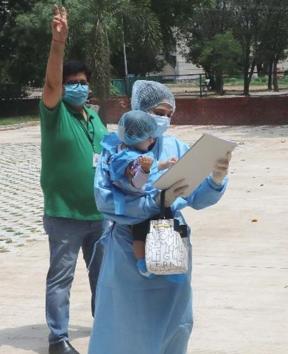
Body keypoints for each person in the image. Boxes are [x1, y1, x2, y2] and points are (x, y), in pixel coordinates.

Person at [88, 80, 232, 354]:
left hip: (169, 241)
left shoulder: (176, 147)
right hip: (128, 250)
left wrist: (216, 178)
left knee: (174, 322)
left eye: (169, 114)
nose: (163, 119)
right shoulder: (114, 150)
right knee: (126, 326)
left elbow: (197, 198)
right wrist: (155, 201)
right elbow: (105, 202)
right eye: (158, 111)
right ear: (138, 109)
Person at [40, 6, 108, 354]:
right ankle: (58, 339)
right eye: (72, 83)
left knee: (103, 278)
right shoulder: (54, 114)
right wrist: (58, 42)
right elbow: (51, 82)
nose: (79, 88)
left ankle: (106, 328)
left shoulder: (94, 117)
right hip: (65, 214)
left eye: (83, 83)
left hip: (100, 214)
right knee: (61, 279)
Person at [107, 110, 179, 277]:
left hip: (153, 201)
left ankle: (170, 261)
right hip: (139, 205)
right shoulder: (126, 159)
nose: (152, 140)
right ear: (136, 137)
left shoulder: (140, 155)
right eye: (148, 137)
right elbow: (136, 182)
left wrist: (165, 164)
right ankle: (142, 263)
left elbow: (154, 165)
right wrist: (145, 170)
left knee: (166, 228)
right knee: (139, 234)